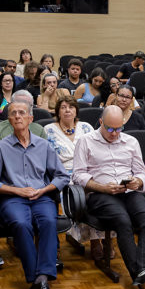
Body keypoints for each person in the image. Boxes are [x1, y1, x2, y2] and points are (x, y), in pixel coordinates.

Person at [72, 106, 145, 289]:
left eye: (119, 129)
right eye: (110, 129)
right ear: (101, 122)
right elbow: (78, 174)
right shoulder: (85, 141)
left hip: (128, 191)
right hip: (101, 193)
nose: (115, 134)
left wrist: (137, 182)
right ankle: (143, 279)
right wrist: (101, 187)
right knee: (122, 220)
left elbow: (141, 173)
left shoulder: (131, 141)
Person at [0, 101, 70, 289]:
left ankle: (41, 280)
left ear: (31, 118)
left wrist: (45, 189)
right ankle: (38, 280)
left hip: (41, 196)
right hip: (13, 198)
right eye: (13, 113)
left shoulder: (43, 145)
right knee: (21, 224)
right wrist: (16, 190)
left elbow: (62, 176)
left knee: (48, 222)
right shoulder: (2, 147)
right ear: (9, 120)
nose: (18, 116)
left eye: (22, 113)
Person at [44, 98, 100, 254]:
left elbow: (97, 152)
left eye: (71, 107)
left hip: (87, 170)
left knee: (97, 194)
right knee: (74, 195)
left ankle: (98, 239)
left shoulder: (86, 127)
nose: (67, 110)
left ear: (76, 111)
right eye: (63, 107)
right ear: (58, 112)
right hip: (62, 173)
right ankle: (89, 238)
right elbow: (46, 158)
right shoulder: (48, 130)